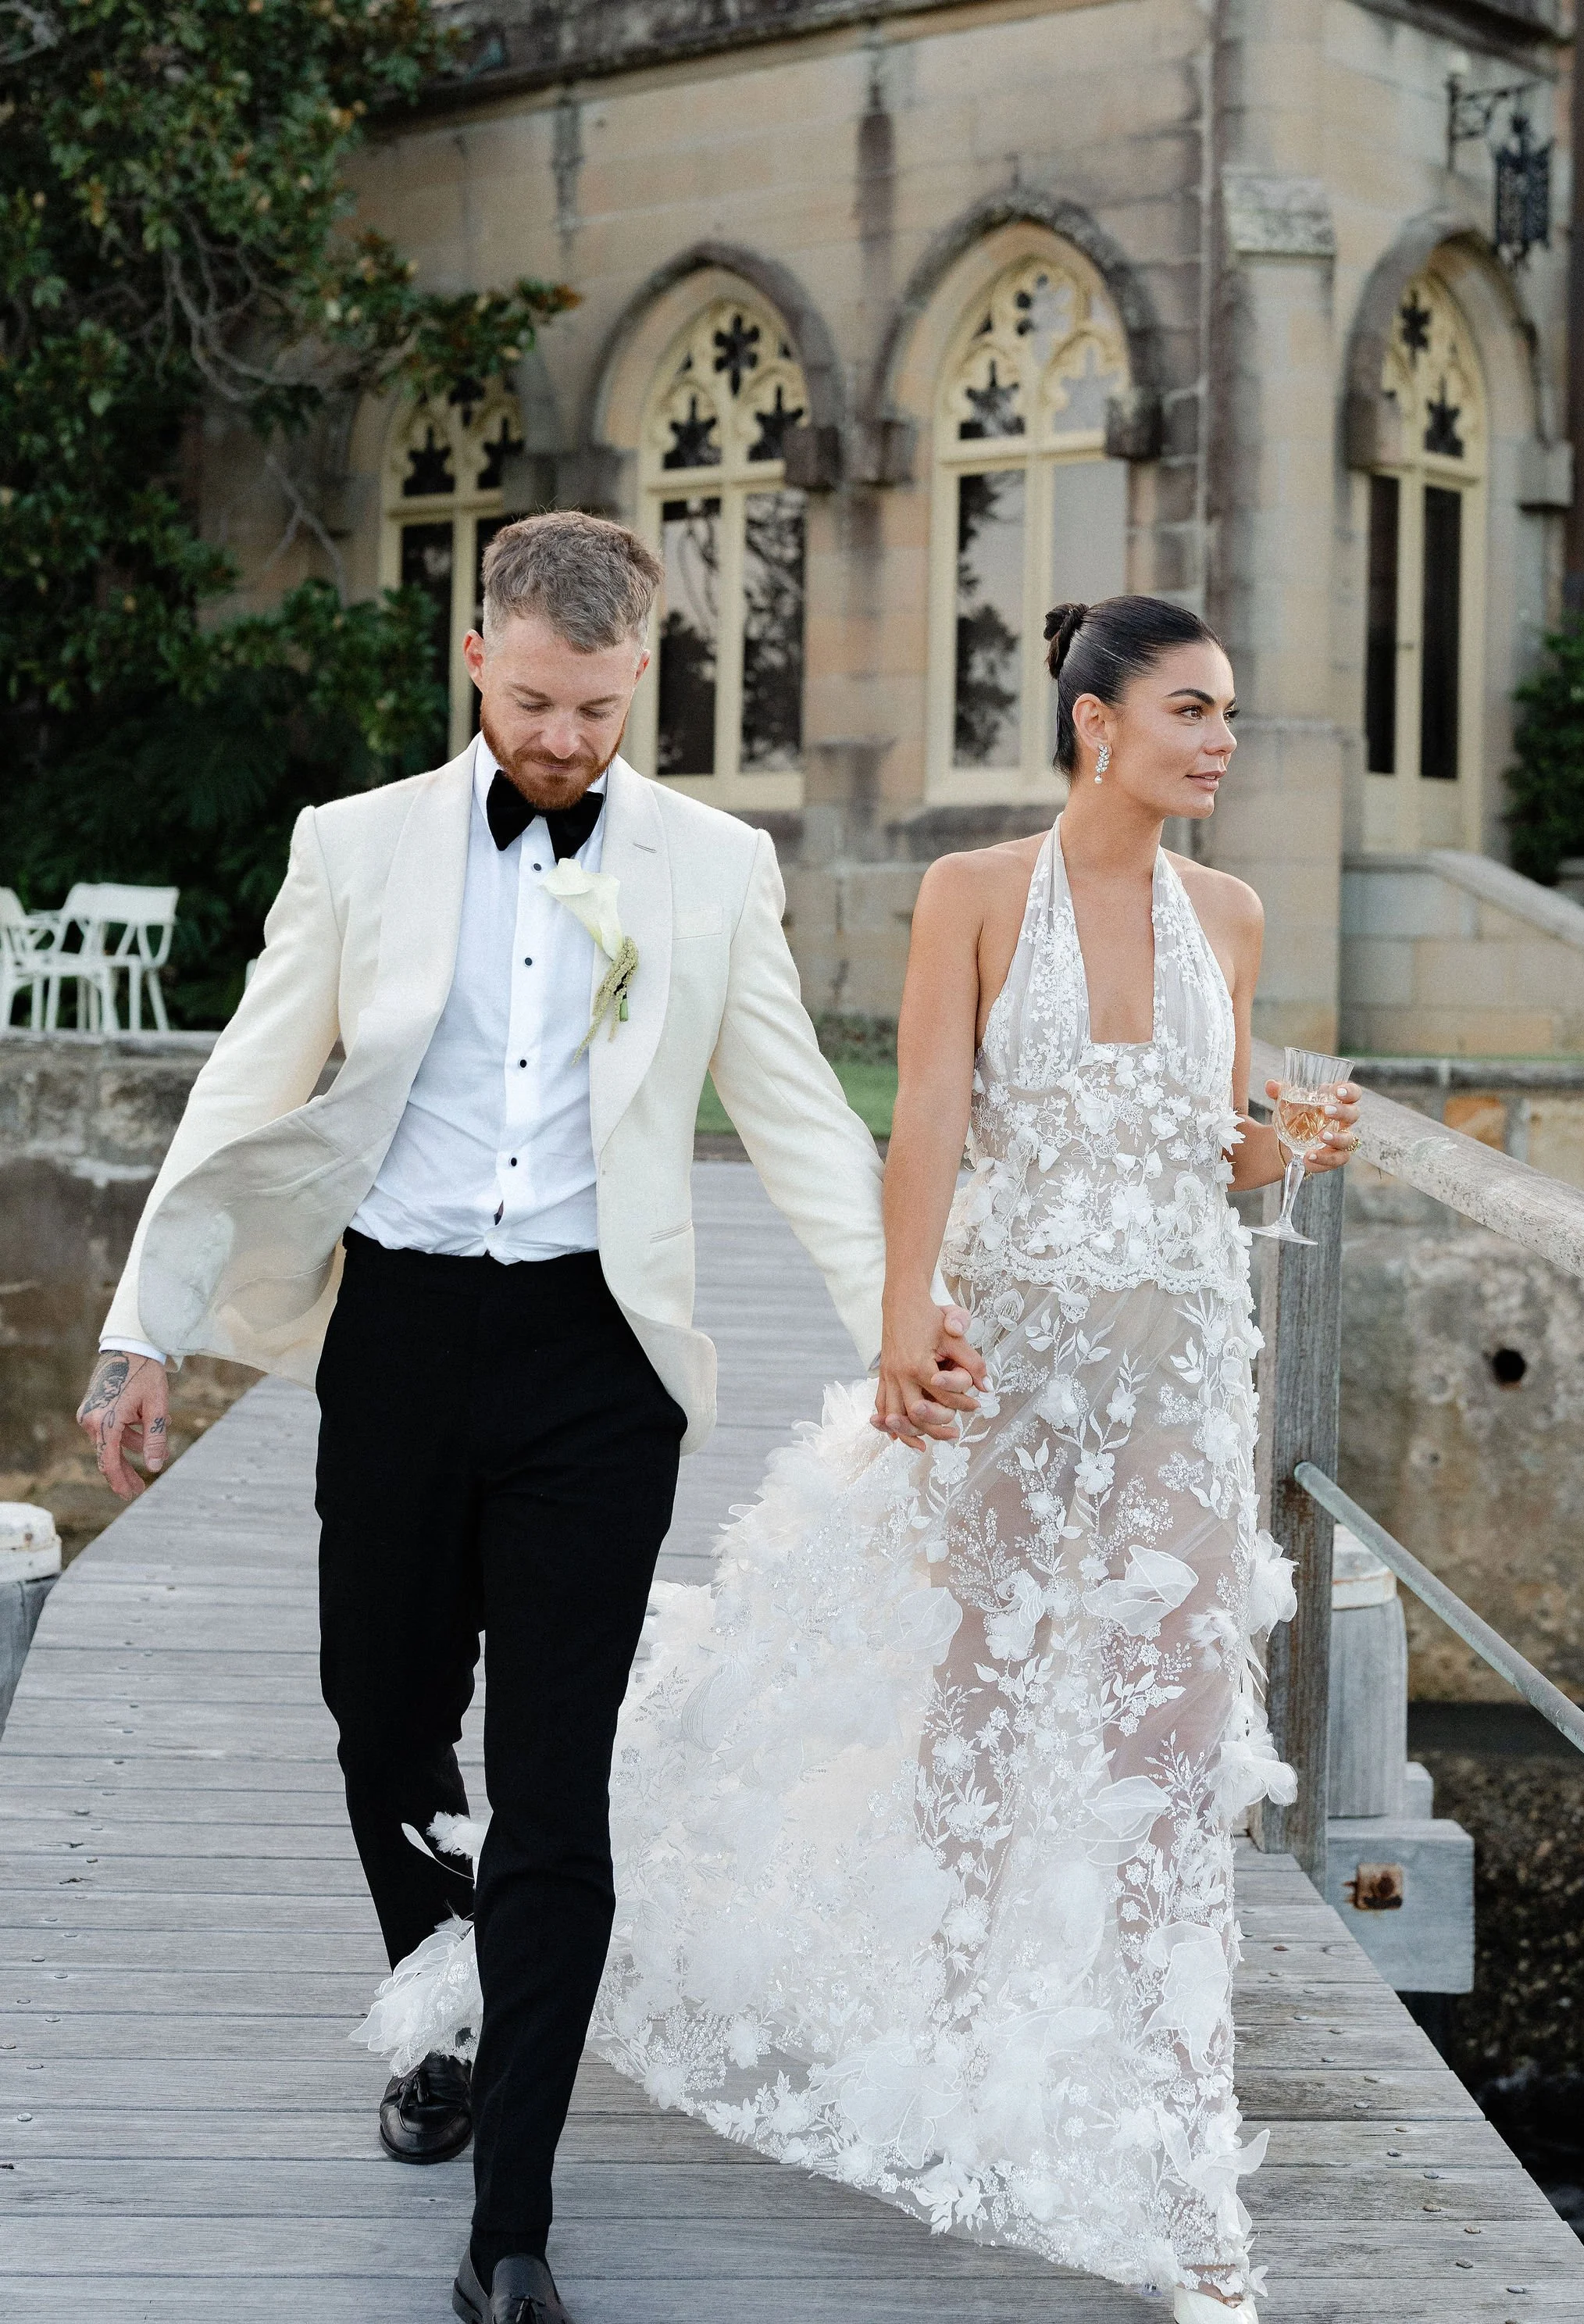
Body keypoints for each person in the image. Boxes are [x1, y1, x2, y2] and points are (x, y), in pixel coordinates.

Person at [357, 594, 1360, 2320]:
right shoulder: (972, 896)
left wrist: (1293, 1139)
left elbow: (1214, 1154)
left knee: (1175, 1753)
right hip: (1009, 1373)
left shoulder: (1235, 914)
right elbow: (924, 1126)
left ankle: (1190, 2168)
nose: (1219, 742)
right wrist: (903, 1318)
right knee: (977, 1697)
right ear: (1094, 722)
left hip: (1184, 1380)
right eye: (1191, 709)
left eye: (1230, 715)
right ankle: (959, 2027)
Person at [73, 509, 984, 2324]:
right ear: (476, 654)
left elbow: (798, 1111)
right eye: (538, 700)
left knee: (558, 1794)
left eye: (598, 706)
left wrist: (898, 1311)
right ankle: (436, 2004)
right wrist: (139, 1336)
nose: (563, 739)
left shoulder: (713, 868)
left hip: (599, 1363)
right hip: (399, 1339)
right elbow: (249, 1083)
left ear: (642, 674)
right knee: (383, 1723)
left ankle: (513, 2215)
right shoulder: (355, 847)